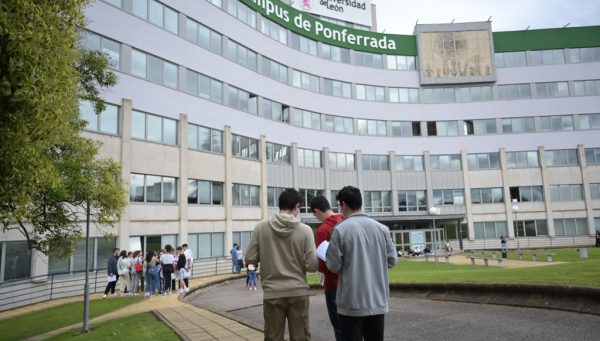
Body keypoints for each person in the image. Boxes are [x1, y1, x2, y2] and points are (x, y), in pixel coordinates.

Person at [326, 186, 398, 341]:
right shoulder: (382, 229)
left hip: (351, 303)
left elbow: (333, 265)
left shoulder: (340, 230)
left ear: (343, 204)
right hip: (377, 300)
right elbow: (392, 261)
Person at [245, 188, 317, 341]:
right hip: (298, 291)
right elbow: (312, 266)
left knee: (273, 337)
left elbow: (250, 258)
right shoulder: (305, 230)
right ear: (297, 206)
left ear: (280, 205)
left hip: (272, 292)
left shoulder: (261, 227)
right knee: (301, 337)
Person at [310, 195, 345, 341]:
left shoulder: (323, 230)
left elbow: (324, 265)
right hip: (354, 281)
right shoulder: (346, 219)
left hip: (334, 283)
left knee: (339, 327)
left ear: (317, 211)